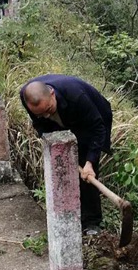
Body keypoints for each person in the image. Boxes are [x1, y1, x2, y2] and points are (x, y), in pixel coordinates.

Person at [20, 75, 113, 235]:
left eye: (48, 110)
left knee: (86, 174)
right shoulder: (27, 96)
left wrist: (89, 162)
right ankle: (69, 213)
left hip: (91, 120)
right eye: (40, 113)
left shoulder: (76, 97)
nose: (46, 115)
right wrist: (48, 138)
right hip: (62, 119)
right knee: (62, 164)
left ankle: (91, 222)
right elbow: (40, 122)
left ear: (52, 94)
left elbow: (98, 129)